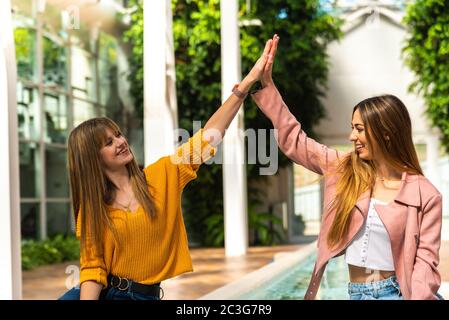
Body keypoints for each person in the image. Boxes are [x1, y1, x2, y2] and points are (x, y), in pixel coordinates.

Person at [58, 38, 277, 300]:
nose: (120, 142)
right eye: (108, 142)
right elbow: (93, 269)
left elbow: (207, 138)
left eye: (118, 135)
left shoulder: (161, 176)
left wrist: (246, 84)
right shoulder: (94, 208)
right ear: (93, 159)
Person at [251, 35, 443, 300]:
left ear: (386, 133)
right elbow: (296, 141)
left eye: (359, 129)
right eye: (352, 128)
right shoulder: (343, 168)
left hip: (396, 294)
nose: (352, 136)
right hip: (356, 293)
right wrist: (268, 85)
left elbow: (425, 262)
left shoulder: (425, 194)